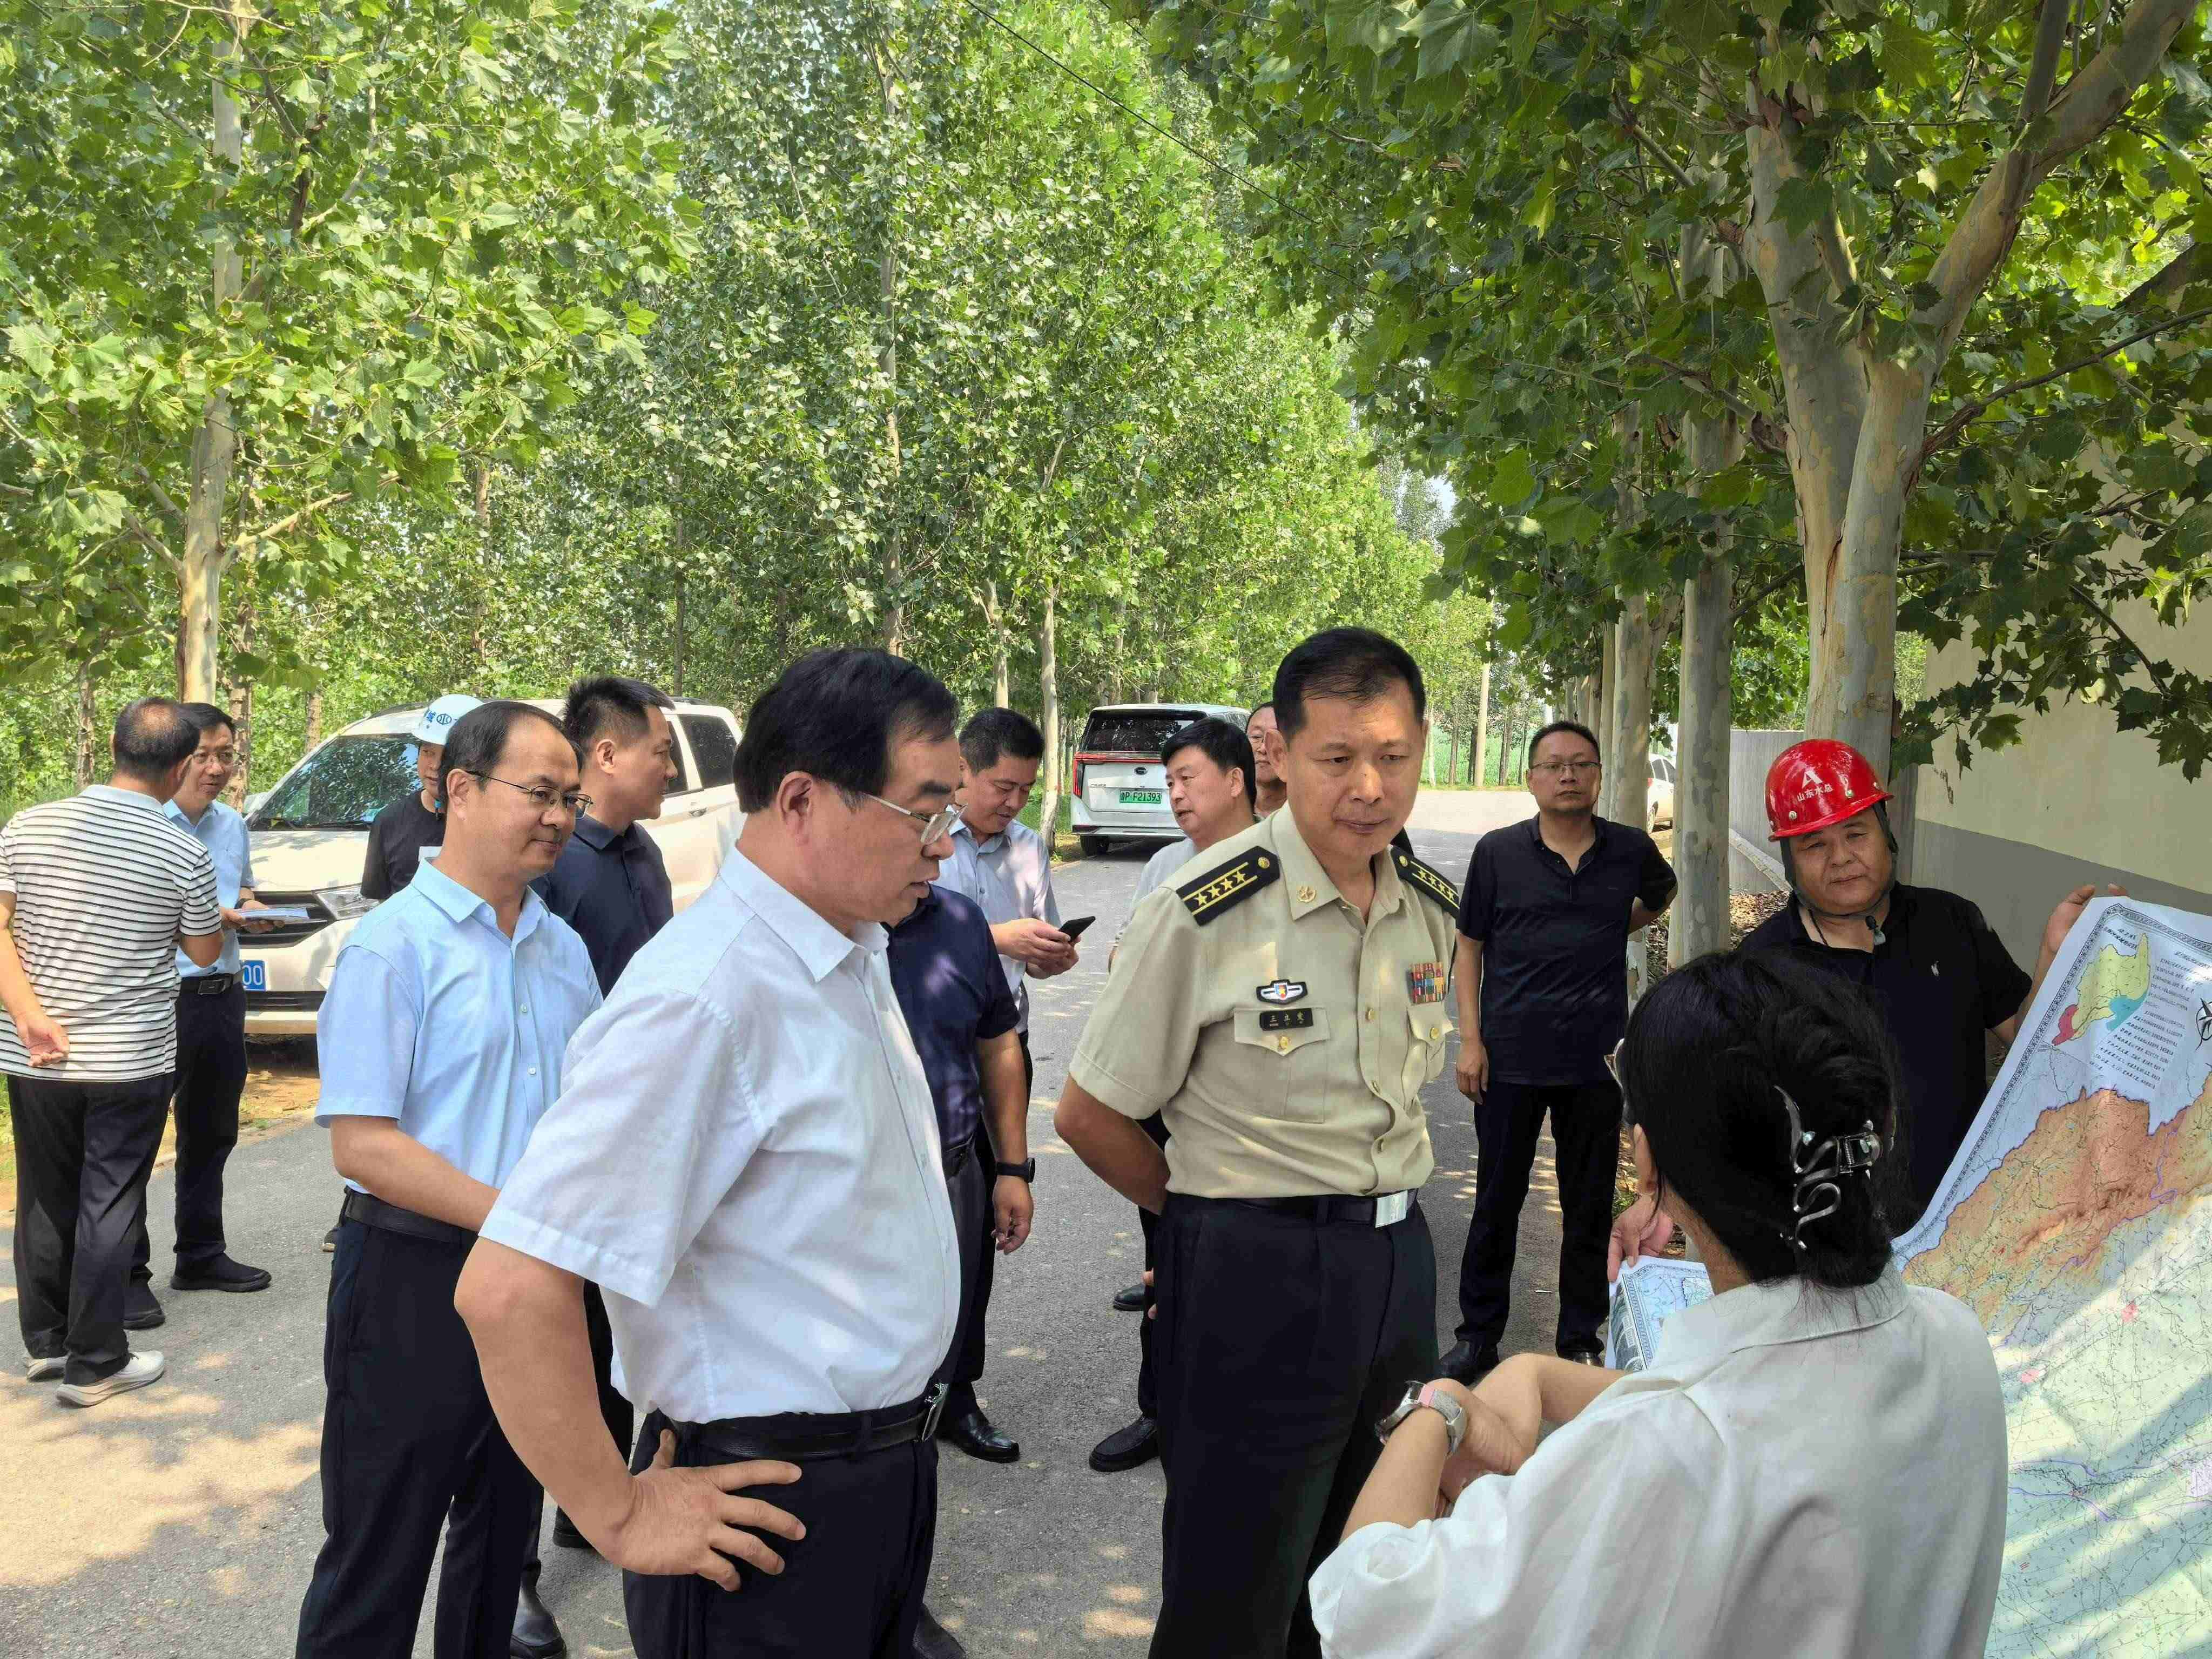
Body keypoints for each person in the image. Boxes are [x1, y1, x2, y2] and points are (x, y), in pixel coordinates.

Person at [456, 649, 964, 1659]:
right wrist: (618, 1513)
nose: (944, 845)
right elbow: (509, 1289)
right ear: (803, 800)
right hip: (765, 1504)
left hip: (879, 1472)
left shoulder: (845, 950)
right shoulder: (707, 997)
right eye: (924, 811)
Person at [1310, 951, 2008, 1658]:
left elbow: (1366, 1615)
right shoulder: (1954, 1339)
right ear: (1878, 1125)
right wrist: (1535, 1374)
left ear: (1646, 1161)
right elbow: (1773, 1396)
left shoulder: (1658, 1461)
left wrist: (1435, 1411)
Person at [1055, 628, 1462, 1659]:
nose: (1369, 786)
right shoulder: (1206, 909)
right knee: (1231, 1588)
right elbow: (1091, 1113)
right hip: (1254, 1275)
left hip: (1396, 1265)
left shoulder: (1425, 907)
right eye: (1338, 757)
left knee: (1369, 1569)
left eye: (1394, 756)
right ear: (1279, 750)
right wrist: (1203, 1215)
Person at [294, 701, 602, 1659]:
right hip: (413, 1279)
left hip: (538, 1285)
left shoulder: (563, 948)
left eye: (572, 799)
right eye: (539, 792)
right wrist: (522, 1220)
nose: (558, 817)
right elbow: (364, 1144)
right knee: (378, 1554)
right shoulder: (394, 945)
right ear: (459, 789)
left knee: (502, 1540)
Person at [1714, 738, 2113, 1229]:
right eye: (1814, 845)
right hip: (1830, 1233)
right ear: (1791, 860)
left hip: (1963, 1216)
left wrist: (2057, 957)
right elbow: (1730, 1119)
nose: (1841, 858)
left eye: (1856, 834)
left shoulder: (1952, 923)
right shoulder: (1761, 967)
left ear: (1886, 833)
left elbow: (2027, 1036)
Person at [509, 676, 681, 1658]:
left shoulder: (644, 854)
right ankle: (511, 1571)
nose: (673, 768)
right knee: (542, 1353)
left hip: (634, 1138)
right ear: (607, 753)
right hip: (563, 1144)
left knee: (613, 1344)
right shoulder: (554, 868)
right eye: (660, 749)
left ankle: (592, 1502)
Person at [1, 698, 221, 1407]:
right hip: (130, 1056)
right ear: (181, 767)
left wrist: (30, 1015)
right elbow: (204, 951)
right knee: (110, 1200)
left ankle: (48, 1345)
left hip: (37, 1053)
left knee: (44, 1193)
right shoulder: (183, 851)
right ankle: (96, 1362)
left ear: (114, 748)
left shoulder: (29, 826)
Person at [1442, 719, 1675, 1384]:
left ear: (1598, 775)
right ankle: (1477, 1337)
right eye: (1553, 765)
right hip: (1508, 1058)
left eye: (1581, 764)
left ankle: (1579, 1340)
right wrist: (1471, 1040)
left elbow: (1660, 894)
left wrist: (1613, 924)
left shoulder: (1629, 849)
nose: (1568, 775)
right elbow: (1468, 947)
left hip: (1594, 1061)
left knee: (1587, 1204)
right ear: (1532, 780)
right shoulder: (1497, 853)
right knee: (1496, 1202)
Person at [1092, 715, 1258, 1477]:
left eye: (1188, 778)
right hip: (1166, 1100)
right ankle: (1159, 1408)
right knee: (1168, 1255)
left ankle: (1237, 1415)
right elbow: (1125, 956)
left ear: (1237, 779)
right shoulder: (1164, 864)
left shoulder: (1283, 864)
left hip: (1246, 1112)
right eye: (1169, 784)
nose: (1176, 795)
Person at [886, 851, 1035, 1659]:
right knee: (859, 1410)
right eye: (922, 813)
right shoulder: (816, 930)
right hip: (857, 1204)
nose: (941, 846)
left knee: (928, 1398)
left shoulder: (957, 919)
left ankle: (901, 1596)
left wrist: (1011, 1167)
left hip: (952, 1177)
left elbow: (998, 1044)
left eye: (944, 817)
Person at [930, 705, 1076, 1461]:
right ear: (963, 770)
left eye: (1025, 790)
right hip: (933, 1052)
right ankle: (904, 1390)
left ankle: (959, 1393)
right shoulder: (926, 836)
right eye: (1002, 787)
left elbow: (1035, 946)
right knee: (926, 1224)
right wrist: (996, 937)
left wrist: (1050, 953)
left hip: (1004, 1046)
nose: (1013, 803)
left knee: (983, 1222)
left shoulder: (1027, 847)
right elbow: (899, 931)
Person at [125, 703, 279, 1326]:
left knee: (212, 1132)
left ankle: (200, 1254)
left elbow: (240, 889)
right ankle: (126, 1274)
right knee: (133, 1139)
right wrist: (217, 915)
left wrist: (252, 907)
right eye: (203, 756)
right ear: (174, 757)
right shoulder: (141, 824)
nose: (216, 768)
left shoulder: (231, 824)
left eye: (226, 755)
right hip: (159, 998)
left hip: (220, 995)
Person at [360, 693, 483, 901]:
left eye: (448, 756)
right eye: (428, 752)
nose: (435, 766)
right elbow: (381, 903)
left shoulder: (498, 823)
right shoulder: (389, 822)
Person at [1245, 700, 1287, 817]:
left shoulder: (1308, 815)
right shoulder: (1227, 808)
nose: (1263, 748)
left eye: (1275, 738)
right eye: (1256, 737)